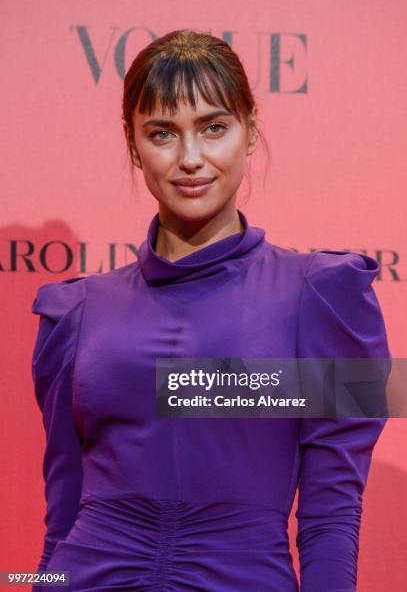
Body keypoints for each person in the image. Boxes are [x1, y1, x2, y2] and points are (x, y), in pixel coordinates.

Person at [31, 29, 390, 591]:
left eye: (214, 127)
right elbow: (62, 513)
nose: (191, 159)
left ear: (251, 132)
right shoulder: (74, 312)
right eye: (162, 133)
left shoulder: (325, 295)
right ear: (133, 146)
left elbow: (332, 514)